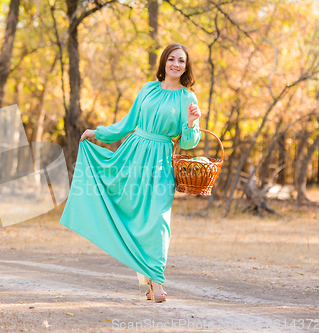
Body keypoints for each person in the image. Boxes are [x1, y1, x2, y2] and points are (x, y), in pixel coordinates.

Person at [59, 43, 202, 302]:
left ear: (186, 66)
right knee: (130, 215)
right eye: (171, 59)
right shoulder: (148, 88)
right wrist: (98, 133)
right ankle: (148, 281)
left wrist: (192, 122)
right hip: (133, 154)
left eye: (181, 61)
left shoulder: (187, 98)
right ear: (164, 63)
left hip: (161, 162)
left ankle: (157, 282)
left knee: (158, 221)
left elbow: (190, 142)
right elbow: (128, 122)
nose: (176, 64)